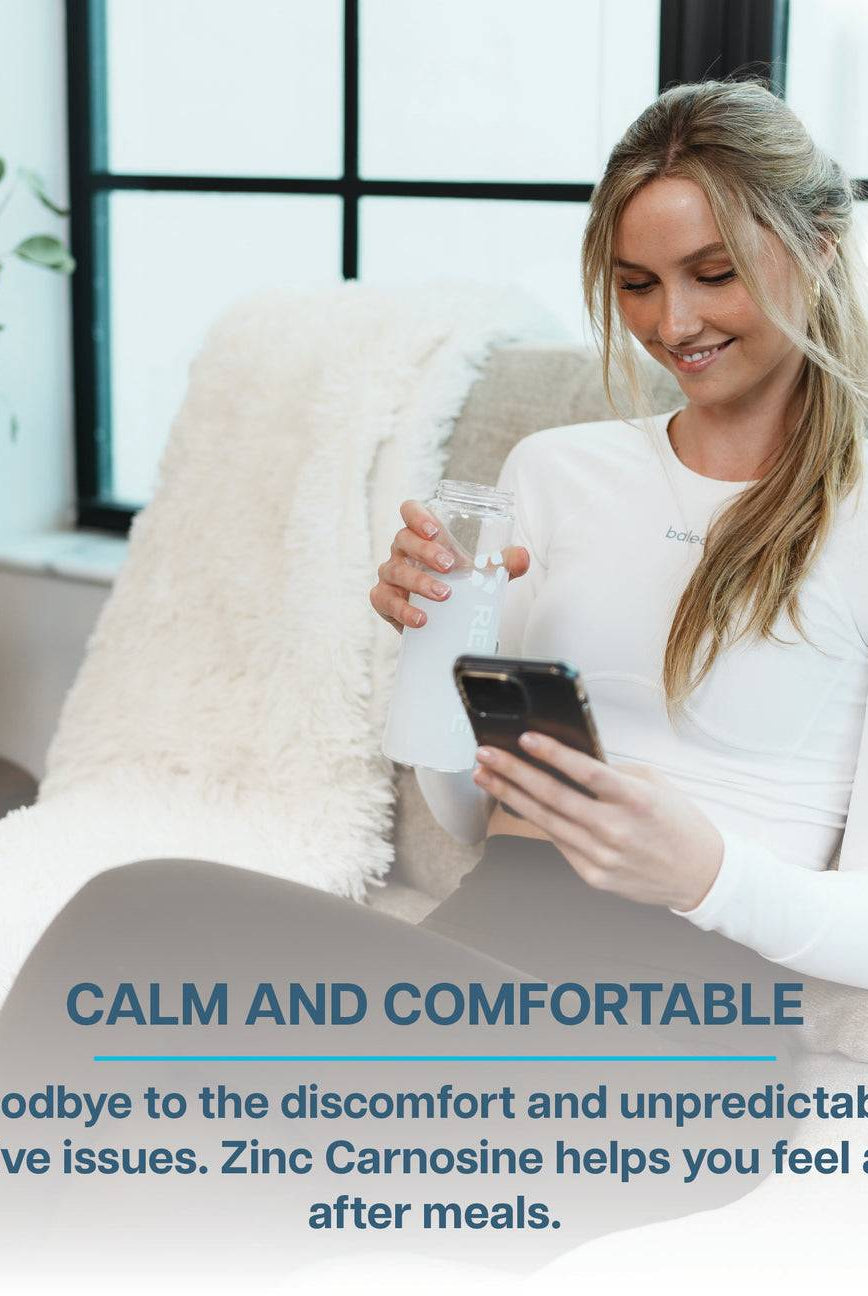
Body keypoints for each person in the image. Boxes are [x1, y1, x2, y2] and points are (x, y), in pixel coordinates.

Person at [378, 77, 868, 994]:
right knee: (146, 915)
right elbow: (467, 815)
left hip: (682, 1002)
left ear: (818, 248)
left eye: (713, 274)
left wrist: (704, 874)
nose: (671, 325)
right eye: (636, 286)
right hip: (476, 951)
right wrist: (434, 638)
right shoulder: (554, 471)